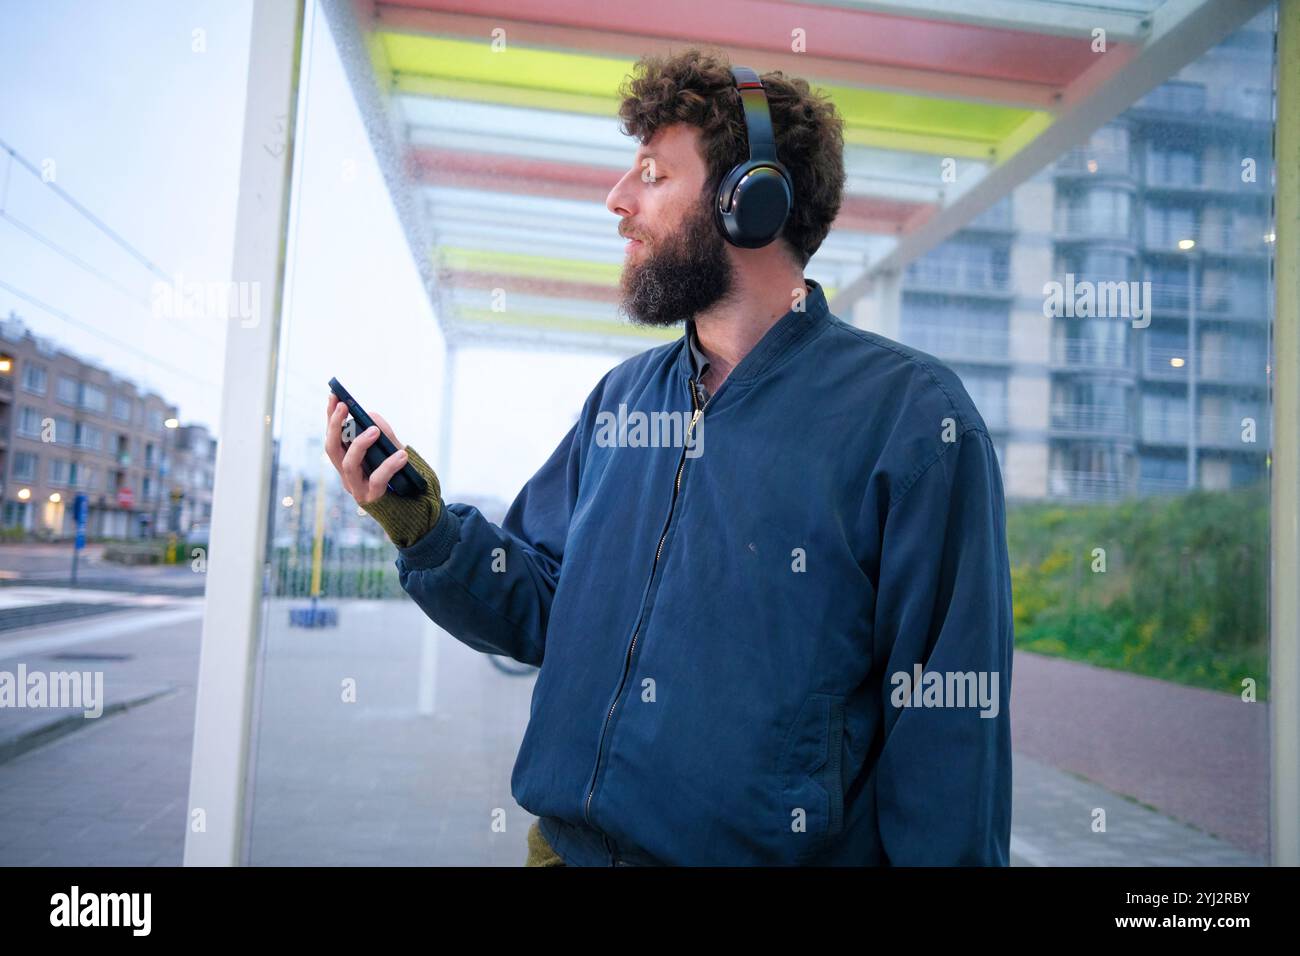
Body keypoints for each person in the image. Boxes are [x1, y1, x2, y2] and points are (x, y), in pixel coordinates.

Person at [325, 47, 1013, 867]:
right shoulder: (621, 402)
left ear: (750, 200)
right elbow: (544, 605)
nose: (617, 201)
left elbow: (945, 736)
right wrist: (421, 525)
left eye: (651, 174)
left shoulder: (912, 420)